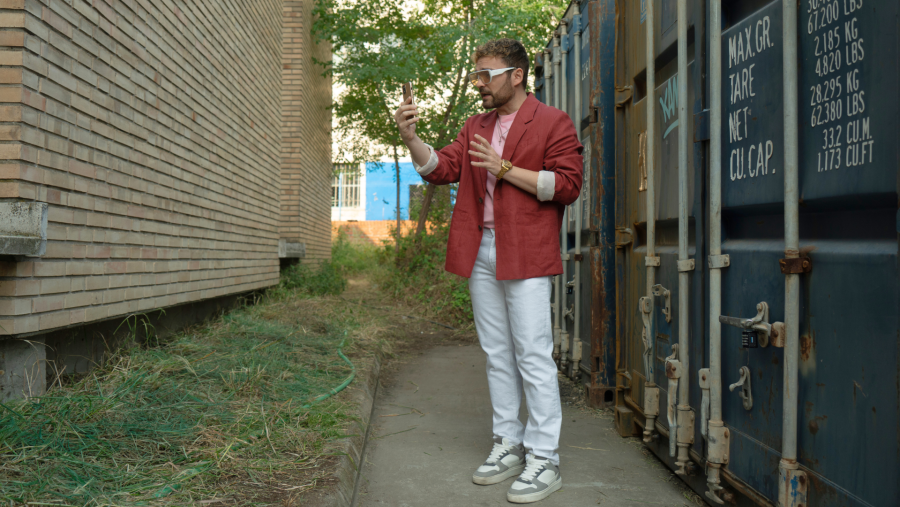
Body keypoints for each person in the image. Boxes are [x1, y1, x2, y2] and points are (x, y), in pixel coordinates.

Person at [393, 38, 583, 504]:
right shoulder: (475, 124)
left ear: (516, 76)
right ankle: (509, 443)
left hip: (526, 251)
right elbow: (442, 168)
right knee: (497, 353)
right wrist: (412, 139)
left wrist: (506, 168)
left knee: (532, 355)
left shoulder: (552, 121)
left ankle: (545, 457)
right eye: (476, 74)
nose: (478, 83)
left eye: (486, 75)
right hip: (482, 250)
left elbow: (568, 185)